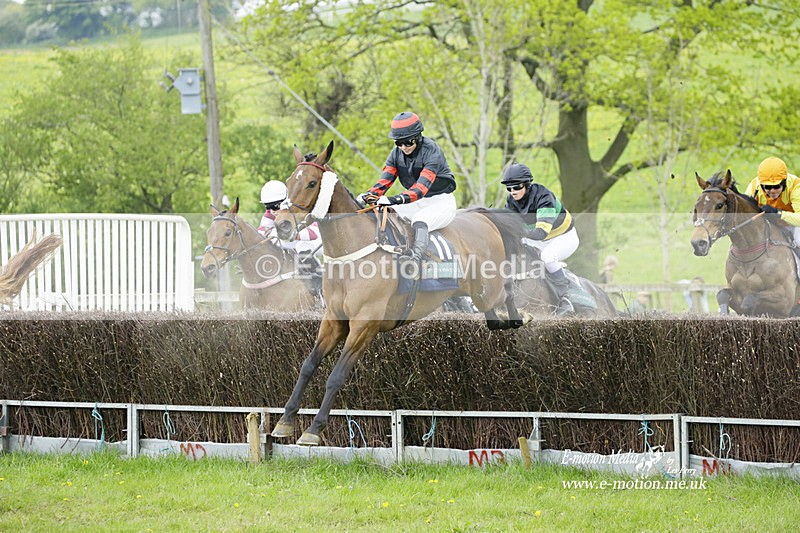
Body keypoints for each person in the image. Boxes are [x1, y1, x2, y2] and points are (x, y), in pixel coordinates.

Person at [358, 111, 457, 267]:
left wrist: (393, 199)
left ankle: (415, 260)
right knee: (385, 213)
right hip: (417, 202)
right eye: (399, 143)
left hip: (441, 202)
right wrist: (368, 195)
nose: (403, 147)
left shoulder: (432, 152)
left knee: (420, 220)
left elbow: (420, 189)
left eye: (408, 142)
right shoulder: (395, 154)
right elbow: (384, 181)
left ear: (418, 137)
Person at [502, 163, 579, 315]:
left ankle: (566, 298)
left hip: (563, 237)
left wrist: (515, 230)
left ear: (527, 184)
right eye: (509, 188)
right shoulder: (511, 202)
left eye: (516, 187)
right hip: (536, 239)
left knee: (548, 257)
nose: (512, 192)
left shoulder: (544, 197)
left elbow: (540, 233)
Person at [258, 180, 323, 293]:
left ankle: (318, 282)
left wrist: (293, 236)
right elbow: (261, 232)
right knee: (275, 242)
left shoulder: (300, 207)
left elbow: (315, 232)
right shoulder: (270, 212)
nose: (272, 211)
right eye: (267, 206)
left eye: (275, 206)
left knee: (301, 246)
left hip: (320, 240)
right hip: (298, 241)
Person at [744, 156, 800, 248]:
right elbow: (744, 215)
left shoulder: (796, 187)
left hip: (795, 225)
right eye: (768, 187)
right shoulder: (754, 187)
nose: (773, 191)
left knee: (799, 240)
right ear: (761, 185)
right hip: (771, 224)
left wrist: (778, 213)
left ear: (784, 183)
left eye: (777, 186)